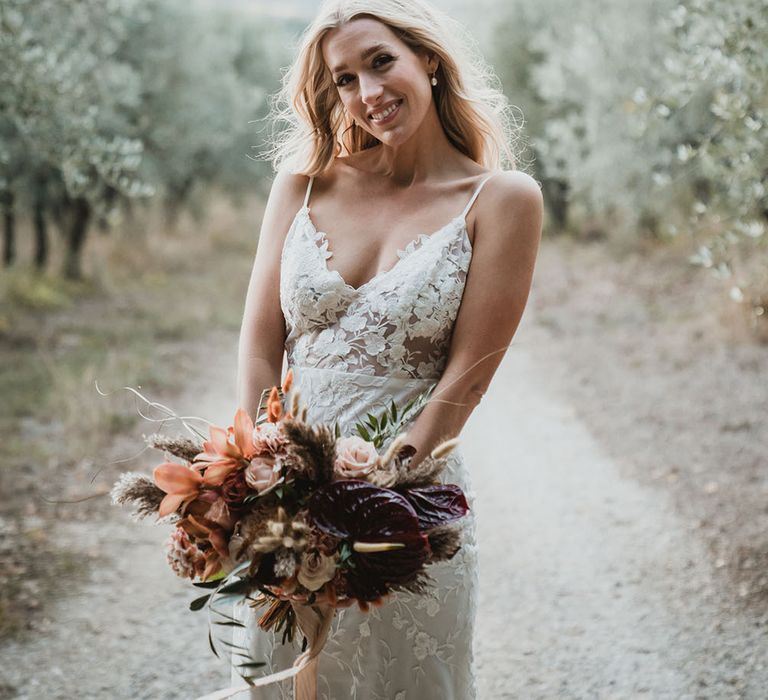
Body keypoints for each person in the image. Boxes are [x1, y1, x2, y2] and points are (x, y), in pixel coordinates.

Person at [232, 0, 543, 698]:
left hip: (408, 502)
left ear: (427, 59)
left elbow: (468, 374)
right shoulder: (300, 186)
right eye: (345, 79)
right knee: (279, 683)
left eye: (381, 63)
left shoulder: (502, 199)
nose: (367, 94)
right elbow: (259, 344)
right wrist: (261, 476)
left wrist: (384, 489)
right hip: (285, 500)